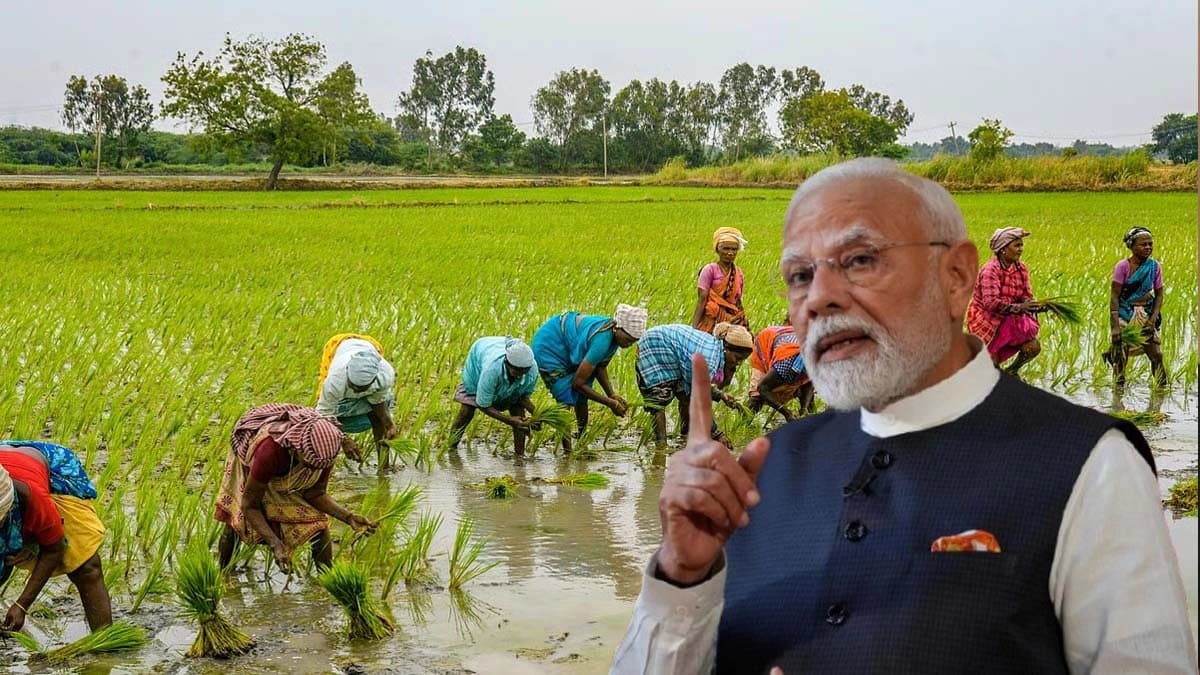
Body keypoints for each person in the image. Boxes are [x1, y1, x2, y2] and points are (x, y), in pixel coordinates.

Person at [613, 159, 1195, 674]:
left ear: (957, 276)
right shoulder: (764, 470)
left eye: (861, 260)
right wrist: (681, 577)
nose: (820, 297)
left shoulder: (1089, 466)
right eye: (799, 276)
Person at [216, 404, 373, 573]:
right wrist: (276, 544)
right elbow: (249, 504)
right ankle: (224, 574)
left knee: (319, 525)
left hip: (284, 465)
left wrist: (348, 517)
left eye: (316, 467)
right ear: (296, 449)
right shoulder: (269, 451)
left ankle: (325, 581)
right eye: (309, 465)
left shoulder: (324, 453)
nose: (312, 470)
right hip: (249, 459)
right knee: (237, 520)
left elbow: (315, 493)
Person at [0, 441, 111, 633]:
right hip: (8, 461)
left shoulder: (33, 498)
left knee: (86, 567)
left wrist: (22, 605)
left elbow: (54, 549)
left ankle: (105, 643)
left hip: (50, 468)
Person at [531, 304, 648, 451]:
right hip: (550, 345)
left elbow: (600, 366)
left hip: (566, 344)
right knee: (565, 399)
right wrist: (610, 403)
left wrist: (612, 394)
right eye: (628, 339)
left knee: (582, 396)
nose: (630, 344)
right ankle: (568, 452)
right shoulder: (602, 340)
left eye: (633, 341)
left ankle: (581, 437)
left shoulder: (613, 337)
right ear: (618, 327)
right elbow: (577, 384)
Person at [635, 323, 753, 450]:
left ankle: (685, 435)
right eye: (737, 358)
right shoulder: (710, 361)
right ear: (727, 348)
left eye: (741, 361)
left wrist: (721, 395)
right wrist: (716, 433)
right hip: (655, 345)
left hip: (672, 351)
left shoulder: (716, 348)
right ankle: (661, 447)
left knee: (685, 394)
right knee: (658, 398)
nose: (737, 363)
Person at [966, 227, 1043, 377]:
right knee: (991, 368)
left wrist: (1033, 305)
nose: (1021, 249)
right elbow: (991, 303)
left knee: (1033, 347)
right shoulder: (990, 271)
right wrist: (1020, 307)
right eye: (1016, 245)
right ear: (1003, 249)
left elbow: (1026, 295)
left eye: (1021, 245)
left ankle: (1012, 371)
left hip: (1010, 319)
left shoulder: (1021, 268)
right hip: (988, 320)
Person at [315, 334, 398, 467]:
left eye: (362, 388)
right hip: (337, 346)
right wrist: (344, 440)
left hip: (369, 345)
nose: (357, 392)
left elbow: (378, 401)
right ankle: (325, 464)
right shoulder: (335, 380)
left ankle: (384, 467)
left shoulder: (385, 375)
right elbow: (323, 414)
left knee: (379, 416)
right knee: (321, 424)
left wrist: (389, 424)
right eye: (353, 387)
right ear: (348, 375)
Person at [449, 337, 540, 457]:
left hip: (496, 352)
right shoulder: (491, 370)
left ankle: (520, 457)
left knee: (518, 412)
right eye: (517, 371)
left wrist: (538, 415)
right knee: (467, 409)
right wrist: (509, 420)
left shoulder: (532, 371)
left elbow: (522, 398)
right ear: (507, 363)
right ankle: (451, 448)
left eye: (524, 371)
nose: (520, 375)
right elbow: (482, 404)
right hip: (479, 354)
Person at [1107, 226, 1168, 390]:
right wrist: (1115, 327)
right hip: (1125, 312)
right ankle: (1118, 391)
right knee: (1121, 354)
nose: (1148, 248)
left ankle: (1161, 390)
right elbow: (1114, 296)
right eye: (1143, 244)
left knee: (1156, 355)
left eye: (1150, 244)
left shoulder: (1154, 266)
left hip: (1146, 312)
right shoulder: (1123, 267)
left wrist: (1152, 320)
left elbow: (1159, 295)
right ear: (1131, 246)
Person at [745, 323, 814, 422]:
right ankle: (743, 424)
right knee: (757, 398)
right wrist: (786, 413)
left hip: (790, 337)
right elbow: (762, 388)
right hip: (766, 341)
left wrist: (804, 410)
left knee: (809, 403)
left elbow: (808, 383)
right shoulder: (786, 364)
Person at [691, 227, 750, 333]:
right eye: (726, 249)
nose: (730, 253)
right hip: (710, 320)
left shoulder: (738, 273)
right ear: (718, 250)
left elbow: (737, 300)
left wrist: (743, 323)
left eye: (734, 249)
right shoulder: (710, 270)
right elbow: (702, 299)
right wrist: (694, 329)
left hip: (731, 321)